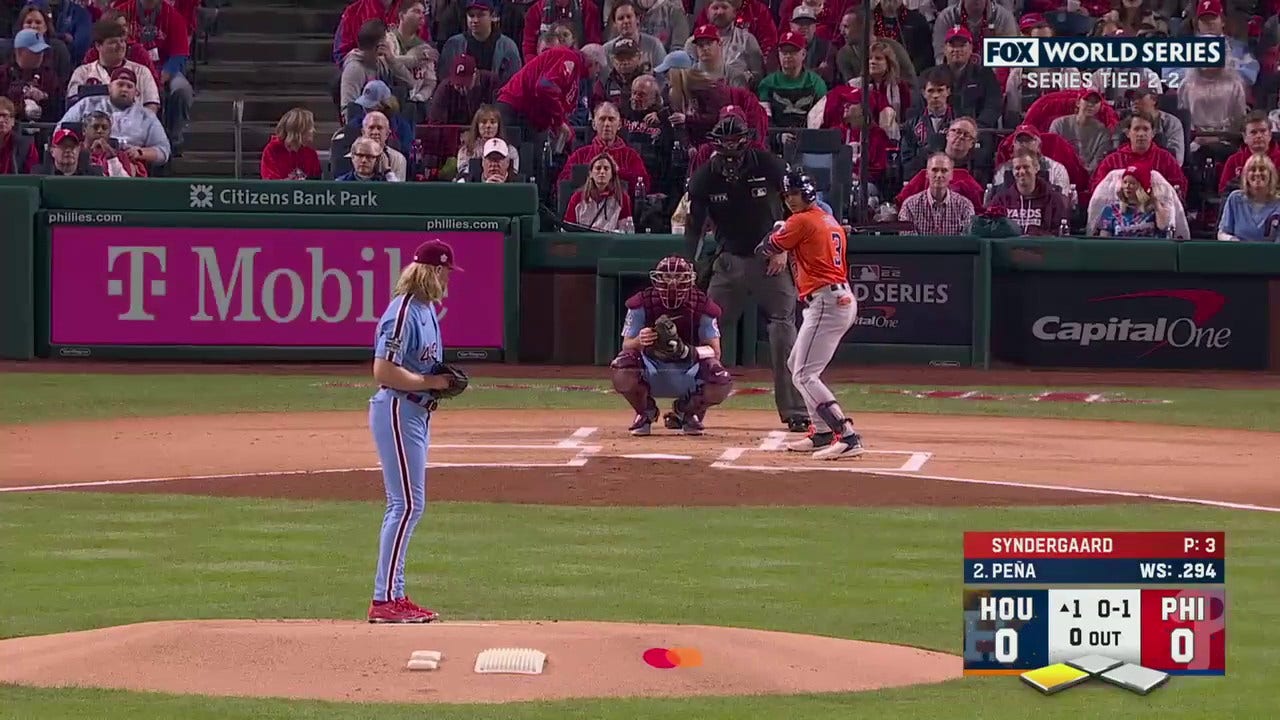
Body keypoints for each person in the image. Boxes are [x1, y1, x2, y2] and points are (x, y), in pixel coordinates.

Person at [683, 113, 809, 432]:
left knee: (783, 330)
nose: (728, 152)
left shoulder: (768, 164)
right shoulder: (704, 177)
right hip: (729, 262)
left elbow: (799, 205)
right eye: (722, 145)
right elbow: (694, 227)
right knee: (707, 331)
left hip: (770, 258)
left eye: (733, 143)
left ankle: (794, 410)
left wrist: (782, 246)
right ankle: (694, 407)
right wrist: (688, 263)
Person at [366, 239, 466, 624]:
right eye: (446, 274)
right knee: (405, 505)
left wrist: (436, 378)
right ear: (435, 271)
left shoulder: (426, 310)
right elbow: (383, 370)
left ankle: (394, 594)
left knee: (407, 505)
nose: (448, 282)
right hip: (397, 408)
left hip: (415, 413)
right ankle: (383, 600)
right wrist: (433, 382)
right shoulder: (404, 312)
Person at [755, 169, 864, 460]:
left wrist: (777, 229)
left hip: (828, 301)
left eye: (794, 194)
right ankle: (822, 433)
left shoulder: (802, 220)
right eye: (787, 195)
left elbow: (765, 248)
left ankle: (847, 435)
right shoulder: (826, 219)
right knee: (796, 364)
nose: (790, 199)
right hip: (833, 297)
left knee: (804, 374)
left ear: (808, 194)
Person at [610, 255, 733, 435]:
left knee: (720, 378)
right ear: (657, 278)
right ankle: (645, 411)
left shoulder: (702, 305)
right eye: (667, 277)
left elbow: (715, 351)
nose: (672, 283)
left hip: (689, 370)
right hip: (651, 367)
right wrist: (639, 341)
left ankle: (688, 411)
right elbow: (626, 345)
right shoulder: (642, 303)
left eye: (679, 277)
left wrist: (685, 351)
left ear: (689, 279)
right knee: (622, 366)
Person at [988, 150, 1070, 235]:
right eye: (1017, 168)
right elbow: (990, 230)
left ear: (1036, 168)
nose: (1022, 172)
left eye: (1026, 167)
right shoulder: (1000, 200)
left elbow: (1059, 235)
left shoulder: (1054, 200)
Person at [898, 153, 977, 235]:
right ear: (927, 174)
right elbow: (908, 242)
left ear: (951, 175)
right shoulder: (909, 206)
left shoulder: (965, 206)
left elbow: (966, 243)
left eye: (944, 170)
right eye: (934, 170)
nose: (939, 175)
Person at [1089, 164, 1174, 238]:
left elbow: (1163, 226)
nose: (1127, 186)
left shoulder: (1155, 210)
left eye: (1133, 183)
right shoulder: (1111, 210)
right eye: (1125, 182)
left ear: (1143, 187)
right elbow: (1104, 242)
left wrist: (1154, 201)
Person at [563, 152, 635, 232]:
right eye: (598, 168)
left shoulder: (622, 198)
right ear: (590, 174)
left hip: (610, 243)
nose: (602, 172)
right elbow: (567, 230)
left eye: (606, 168)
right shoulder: (577, 198)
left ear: (612, 174)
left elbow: (626, 231)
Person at [1218, 155, 1280, 242]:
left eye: (1262, 169)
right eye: (1253, 170)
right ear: (1246, 176)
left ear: (1271, 175)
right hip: (1239, 252)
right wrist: (1232, 240)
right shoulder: (1235, 199)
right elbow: (1222, 233)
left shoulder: (1278, 204)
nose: (1257, 173)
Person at [260, 108, 321, 180]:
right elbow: (271, 184)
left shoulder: (311, 154)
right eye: (310, 127)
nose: (313, 130)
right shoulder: (272, 150)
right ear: (299, 130)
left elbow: (317, 184)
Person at [36, 126, 105, 176]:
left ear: (79, 150)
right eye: (63, 146)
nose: (68, 150)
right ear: (52, 151)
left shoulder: (94, 175)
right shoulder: (39, 175)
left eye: (72, 146)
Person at [0, 97, 39, 175]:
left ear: (12, 121)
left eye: (5, 116)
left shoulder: (27, 147)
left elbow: (32, 179)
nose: (0, 120)